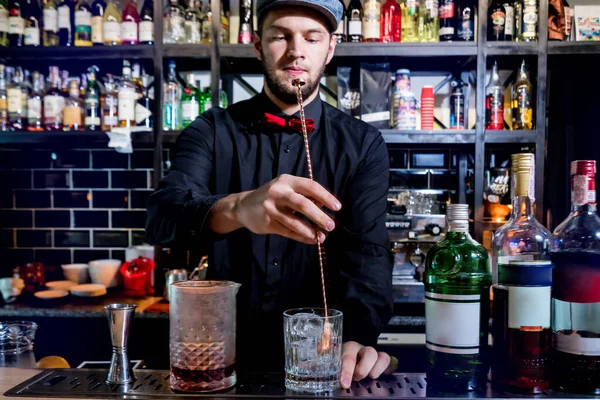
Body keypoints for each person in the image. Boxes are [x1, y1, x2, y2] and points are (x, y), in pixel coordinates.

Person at [146, 0, 396, 388]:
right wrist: (237, 208)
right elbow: (162, 217)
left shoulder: (363, 144)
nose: (297, 50)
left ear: (329, 49)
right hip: (223, 362)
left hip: (322, 364)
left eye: (312, 38)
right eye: (281, 36)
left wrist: (359, 337)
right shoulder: (212, 130)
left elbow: (369, 253)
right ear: (259, 45)